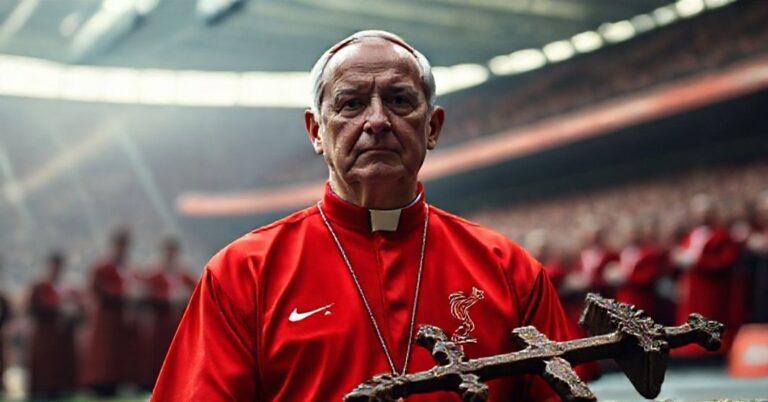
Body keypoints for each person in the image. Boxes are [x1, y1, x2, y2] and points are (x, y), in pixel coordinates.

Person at [152, 30, 593, 401]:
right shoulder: (242, 273)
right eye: (351, 103)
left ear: (432, 127)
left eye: (400, 100)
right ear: (316, 132)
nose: (378, 120)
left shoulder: (509, 270)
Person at [137, 237, 196, 389]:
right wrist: (166, 297)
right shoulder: (155, 275)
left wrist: (186, 296)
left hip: (180, 324)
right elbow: (147, 296)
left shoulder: (185, 275)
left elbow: (197, 293)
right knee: (159, 355)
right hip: (161, 323)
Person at [81, 228, 133, 396]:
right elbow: (98, 290)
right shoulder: (102, 268)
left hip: (122, 319)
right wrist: (122, 292)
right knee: (103, 354)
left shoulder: (128, 269)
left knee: (119, 353)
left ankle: (117, 383)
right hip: (106, 318)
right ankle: (101, 385)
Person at [28, 252, 81, 401]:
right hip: (46, 335)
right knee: (45, 368)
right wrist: (58, 309)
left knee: (61, 368)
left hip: (63, 337)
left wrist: (71, 312)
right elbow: (35, 308)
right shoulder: (40, 286)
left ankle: (62, 389)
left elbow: (80, 311)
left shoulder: (69, 289)